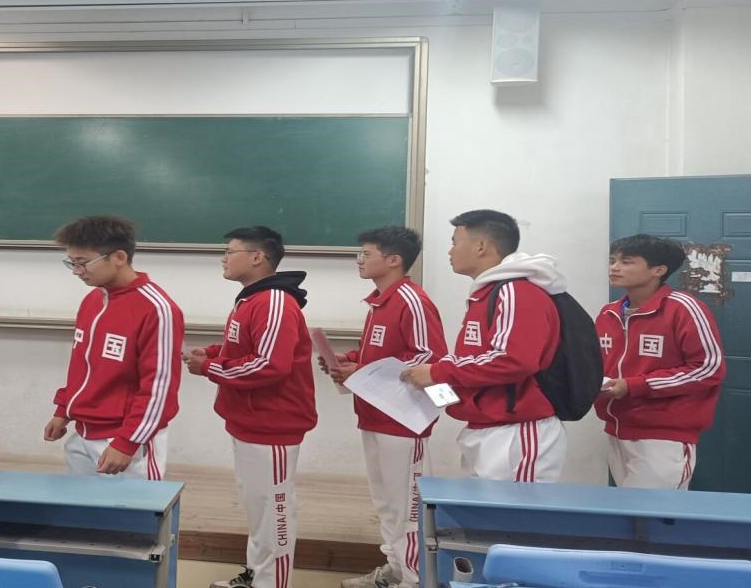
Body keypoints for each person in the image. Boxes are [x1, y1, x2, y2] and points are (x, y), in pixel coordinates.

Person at [184, 226, 317, 588]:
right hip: (249, 422)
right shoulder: (251, 299)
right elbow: (247, 348)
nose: (224, 259)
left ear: (257, 257)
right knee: (259, 509)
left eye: (231, 251)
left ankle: (272, 583)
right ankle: (257, 576)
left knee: (274, 513)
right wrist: (213, 353)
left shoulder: (273, 301)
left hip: (273, 425)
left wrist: (209, 368)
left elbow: (269, 365)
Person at [402, 209, 567, 482]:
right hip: (484, 428)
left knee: (515, 509)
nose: (450, 251)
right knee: (484, 509)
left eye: (455, 242)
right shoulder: (487, 294)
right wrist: (437, 385)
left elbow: (513, 361)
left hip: (516, 432)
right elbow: (477, 366)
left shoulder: (515, 292)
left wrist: (437, 372)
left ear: (481, 246)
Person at [326, 227, 447, 588]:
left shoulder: (412, 300)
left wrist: (361, 369)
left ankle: (414, 580)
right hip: (375, 414)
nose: (359, 260)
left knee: (407, 508)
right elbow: (384, 353)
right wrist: (349, 361)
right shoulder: (380, 302)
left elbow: (430, 358)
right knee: (386, 503)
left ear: (393, 260)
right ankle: (395, 569)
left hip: (404, 420)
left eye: (367, 253)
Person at [44, 215, 184, 479]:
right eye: (71, 263)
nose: (76, 271)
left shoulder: (157, 309)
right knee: (82, 504)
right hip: (83, 434)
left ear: (119, 257)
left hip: (126, 441)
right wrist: (64, 410)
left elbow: (159, 387)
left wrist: (127, 442)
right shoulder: (93, 300)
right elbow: (82, 367)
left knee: (133, 506)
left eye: (82, 263)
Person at [595, 234, 724, 489]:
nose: (615, 268)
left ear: (658, 270)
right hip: (616, 430)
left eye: (626, 262)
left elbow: (708, 368)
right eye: (612, 261)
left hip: (663, 436)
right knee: (628, 510)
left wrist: (634, 386)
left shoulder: (683, 308)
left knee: (655, 511)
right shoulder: (608, 312)